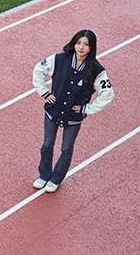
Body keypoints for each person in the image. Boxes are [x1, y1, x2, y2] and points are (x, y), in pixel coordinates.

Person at [32, 30, 114, 192]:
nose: (81, 47)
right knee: (47, 145)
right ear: (73, 43)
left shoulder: (97, 71)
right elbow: (38, 70)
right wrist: (45, 93)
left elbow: (108, 94)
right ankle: (44, 175)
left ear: (92, 47)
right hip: (53, 111)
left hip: (73, 116)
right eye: (78, 43)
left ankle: (56, 179)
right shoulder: (58, 59)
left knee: (66, 149)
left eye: (86, 44)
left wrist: (87, 108)